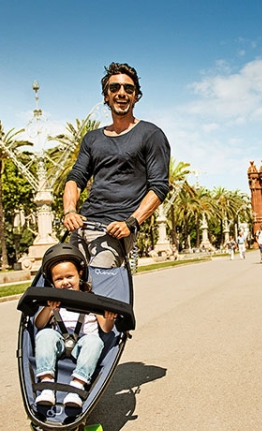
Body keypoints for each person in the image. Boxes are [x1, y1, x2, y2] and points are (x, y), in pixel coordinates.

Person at [62, 62, 171, 268]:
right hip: (83, 224)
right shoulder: (92, 138)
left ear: (136, 96)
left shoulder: (151, 135)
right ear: (106, 96)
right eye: (115, 88)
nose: (121, 93)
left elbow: (159, 187)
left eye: (128, 89)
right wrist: (69, 211)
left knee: (99, 284)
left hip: (115, 229)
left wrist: (131, 223)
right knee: (67, 285)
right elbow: (76, 178)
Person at [33, 244, 117, 407]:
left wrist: (109, 317)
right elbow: (39, 324)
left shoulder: (92, 300)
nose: (65, 282)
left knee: (95, 341)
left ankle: (77, 387)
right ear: (52, 281)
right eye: (59, 279)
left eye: (69, 276)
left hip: (84, 344)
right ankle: (47, 386)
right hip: (59, 343)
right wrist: (49, 309)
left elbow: (106, 329)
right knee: (45, 335)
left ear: (80, 274)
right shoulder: (54, 301)